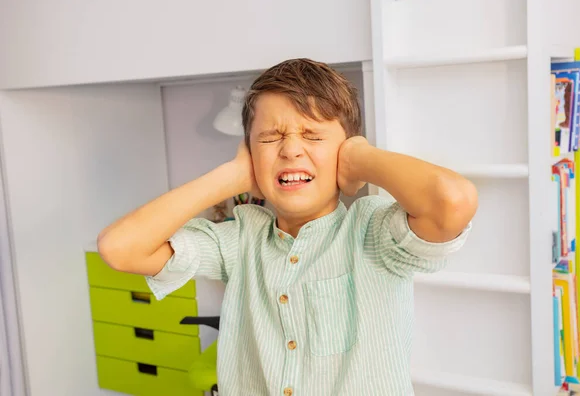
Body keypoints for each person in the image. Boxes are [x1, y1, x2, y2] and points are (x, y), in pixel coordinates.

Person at [97, 58, 478, 396]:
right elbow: (120, 248)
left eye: (313, 136)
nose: (291, 150)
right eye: (269, 137)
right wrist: (230, 177)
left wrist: (361, 158)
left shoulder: (372, 231)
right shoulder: (241, 239)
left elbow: (452, 202)